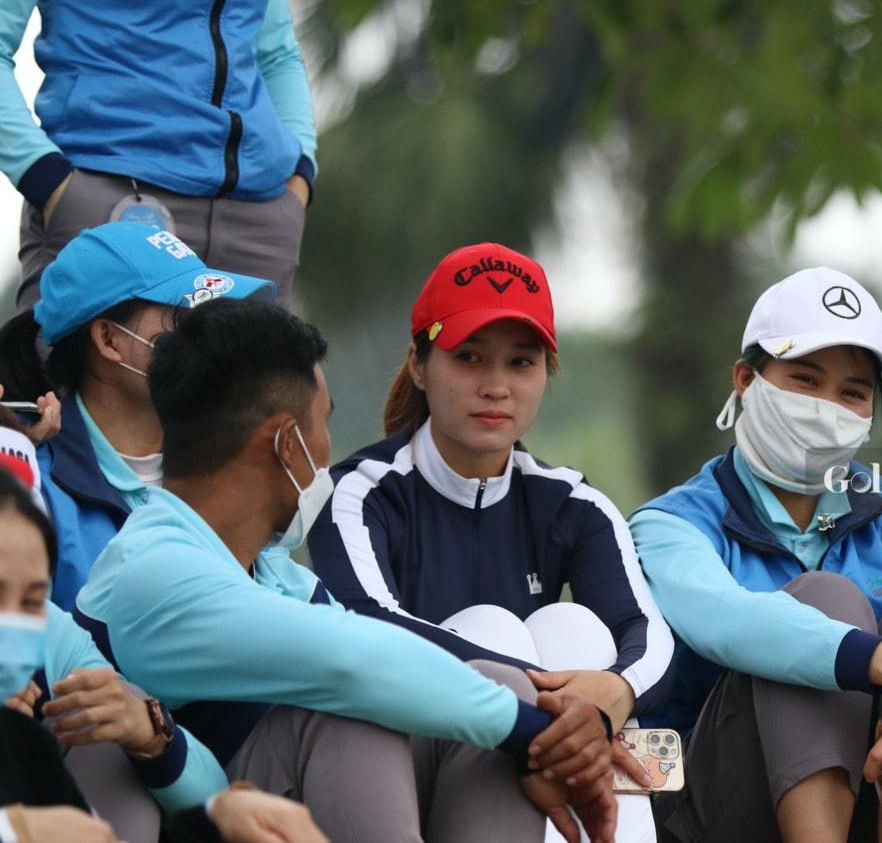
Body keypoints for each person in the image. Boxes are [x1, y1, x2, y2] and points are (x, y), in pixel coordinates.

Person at [74, 297, 617, 843]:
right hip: (192, 822)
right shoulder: (156, 567)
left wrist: (540, 736)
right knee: (347, 710)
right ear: (288, 444)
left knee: (504, 684)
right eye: (323, 423)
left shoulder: (284, 579)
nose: (329, 448)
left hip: (252, 806)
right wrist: (540, 734)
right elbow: (350, 662)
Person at [628, 267, 882, 843]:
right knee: (824, 598)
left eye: (852, 392)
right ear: (746, 379)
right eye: (805, 379)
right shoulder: (671, 522)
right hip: (720, 803)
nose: (827, 406)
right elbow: (725, 621)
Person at [307, 242, 675, 841]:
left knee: (578, 632)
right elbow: (367, 621)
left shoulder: (573, 503)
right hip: (397, 766)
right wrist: (547, 705)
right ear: (420, 366)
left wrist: (610, 696)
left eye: (521, 363)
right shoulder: (357, 492)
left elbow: (650, 638)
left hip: (541, 753)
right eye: (470, 358)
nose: (496, 386)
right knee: (490, 631)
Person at [0, 464, 330, 843]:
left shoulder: (53, 641)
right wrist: (15, 830)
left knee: (107, 716)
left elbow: (210, 786)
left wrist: (151, 734)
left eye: (30, 600)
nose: (13, 620)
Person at [0, 220, 276, 608]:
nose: (214, 341)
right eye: (186, 320)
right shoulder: (31, 489)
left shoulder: (233, 472)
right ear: (109, 340)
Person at [1, 0, 316, 310]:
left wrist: (301, 173)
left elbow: (279, 56)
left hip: (258, 221)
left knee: (269, 362)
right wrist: (45, 177)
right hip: (111, 206)